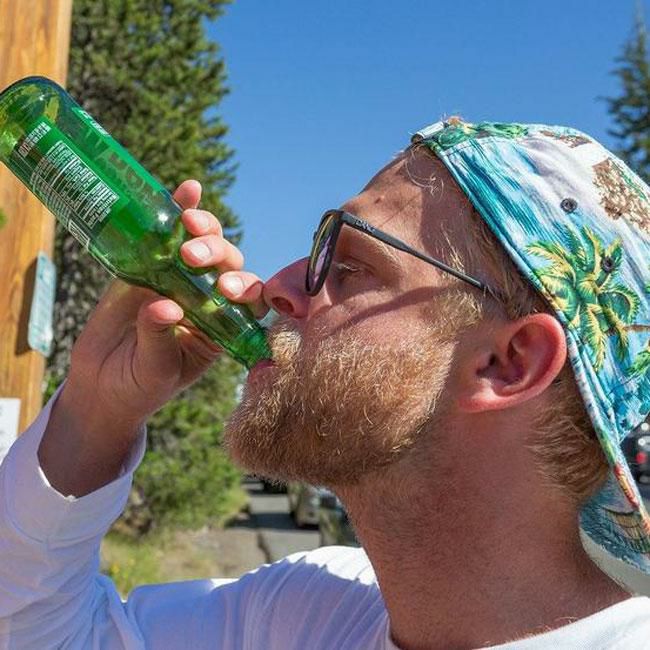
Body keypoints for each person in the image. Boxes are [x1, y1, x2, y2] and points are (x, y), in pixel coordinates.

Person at [1, 118, 650, 650]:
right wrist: (97, 407)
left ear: (508, 364)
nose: (276, 287)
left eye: (350, 266)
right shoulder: (306, 614)